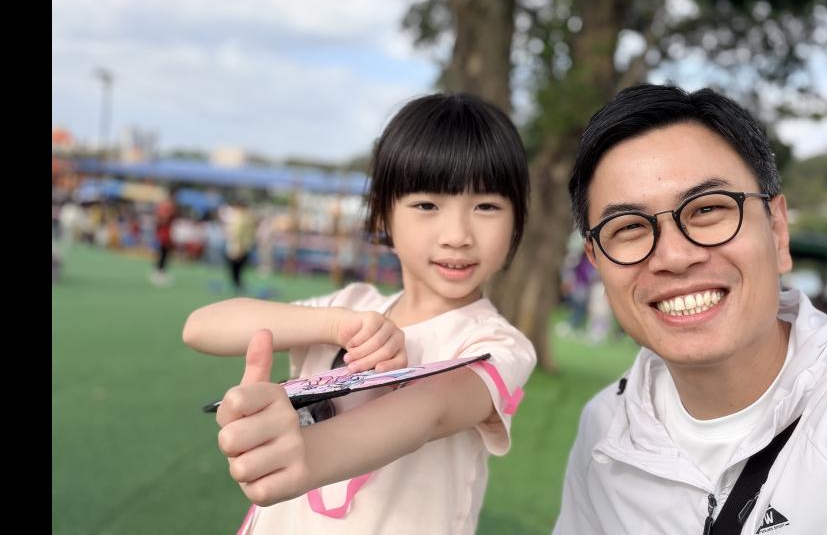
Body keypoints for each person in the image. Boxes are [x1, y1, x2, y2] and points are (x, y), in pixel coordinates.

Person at [183, 92, 537, 534]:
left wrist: (306, 454)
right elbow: (201, 327)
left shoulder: (497, 345)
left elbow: (431, 410)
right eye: (427, 205)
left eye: (486, 207)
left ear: (517, 219)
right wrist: (335, 325)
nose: (457, 235)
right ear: (383, 214)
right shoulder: (351, 306)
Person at [554, 84, 827, 534]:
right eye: (628, 227)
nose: (674, 256)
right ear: (596, 263)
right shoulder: (607, 428)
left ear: (777, 231)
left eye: (708, 209)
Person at [222, 199, 257, 294]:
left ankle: (237, 284)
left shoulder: (242, 217)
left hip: (240, 245)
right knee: (236, 266)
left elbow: (239, 233)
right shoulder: (240, 217)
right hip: (239, 245)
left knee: (237, 266)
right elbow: (235, 233)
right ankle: (236, 284)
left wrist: (239, 245)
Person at [150, 193, 177, 287]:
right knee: (162, 252)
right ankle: (158, 272)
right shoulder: (165, 206)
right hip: (164, 234)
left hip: (167, 233)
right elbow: (162, 217)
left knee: (165, 253)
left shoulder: (166, 205)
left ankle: (161, 272)